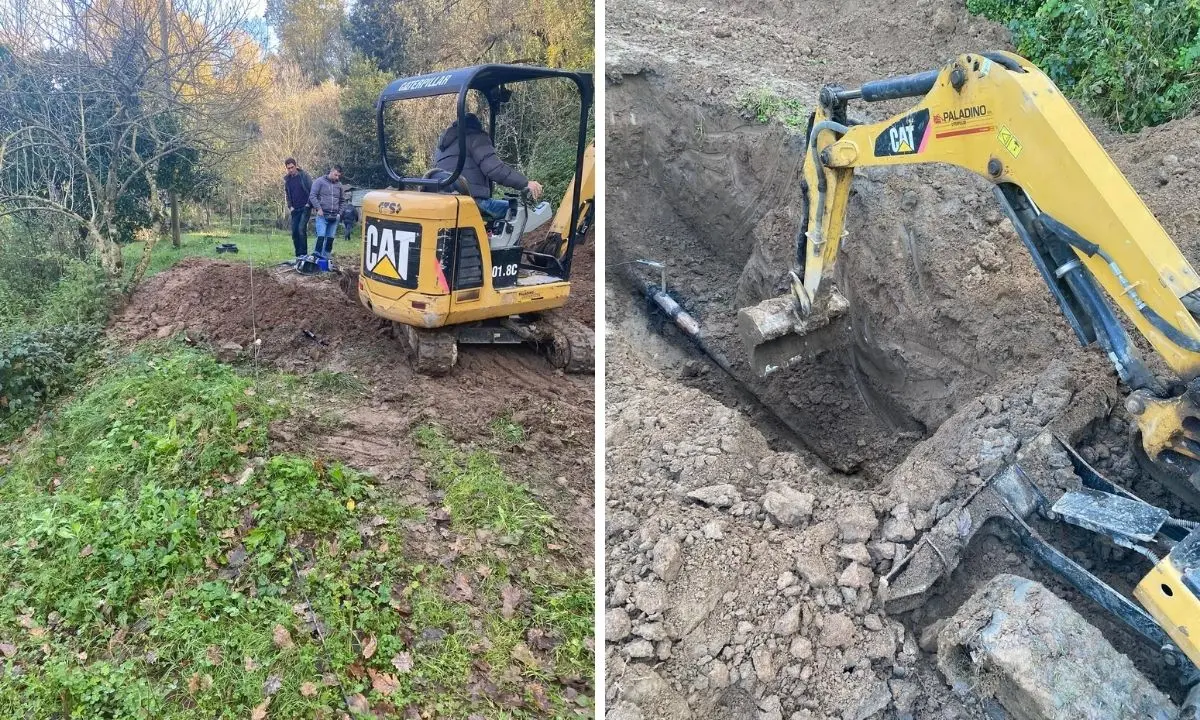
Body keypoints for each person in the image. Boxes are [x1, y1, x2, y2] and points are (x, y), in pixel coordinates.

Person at [432, 113, 544, 218]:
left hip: (446, 202)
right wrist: (525, 183)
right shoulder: (475, 137)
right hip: (473, 202)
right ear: (477, 126)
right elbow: (494, 169)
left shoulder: (442, 147)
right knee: (521, 211)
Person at [309, 165, 344, 258]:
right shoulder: (319, 182)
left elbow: (342, 201)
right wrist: (318, 208)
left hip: (334, 216)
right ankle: (316, 256)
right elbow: (312, 196)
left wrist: (339, 214)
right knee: (321, 236)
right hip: (322, 215)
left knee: (330, 238)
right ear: (331, 171)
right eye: (336, 175)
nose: (337, 177)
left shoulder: (339, 185)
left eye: (338, 176)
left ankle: (326, 258)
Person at [283, 158, 313, 258]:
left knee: (301, 229)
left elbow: (312, 191)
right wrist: (290, 206)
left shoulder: (304, 176)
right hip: (294, 209)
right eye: (288, 168)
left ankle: (304, 255)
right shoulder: (287, 180)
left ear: (296, 166)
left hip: (305, 208)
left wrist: (309, 204)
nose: (291, 170)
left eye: (292, 167)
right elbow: (287, 194)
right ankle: (298, 255)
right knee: (295, 232)